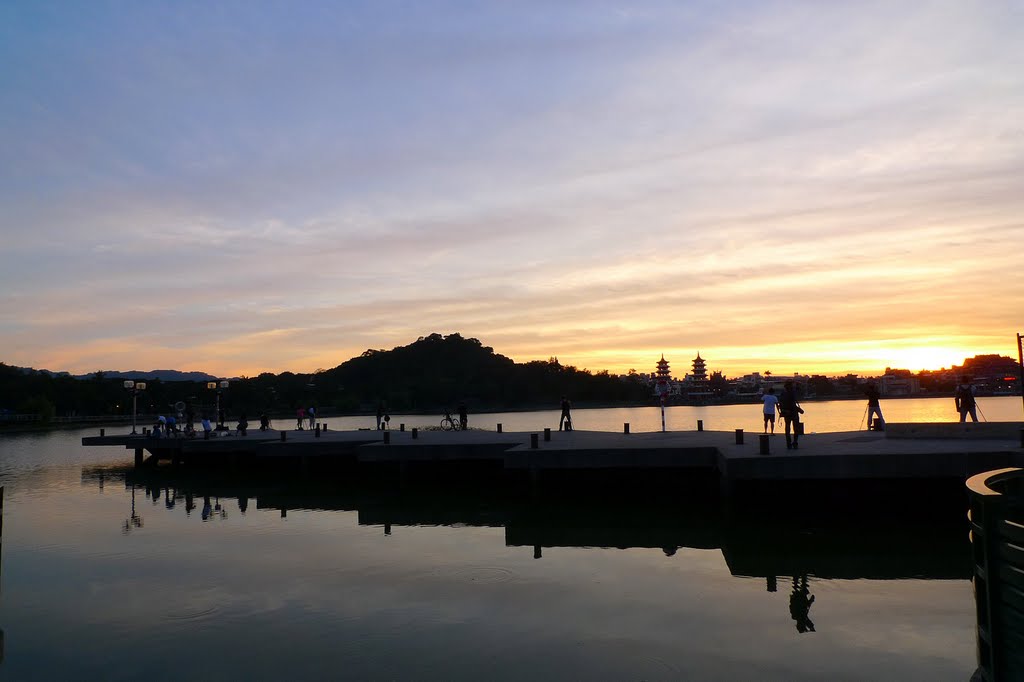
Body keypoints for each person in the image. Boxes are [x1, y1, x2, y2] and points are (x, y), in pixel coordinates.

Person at [779, 380, 804, 450]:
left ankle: (788, 443)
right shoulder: (792, 393)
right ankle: (795, 442)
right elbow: (792, 404)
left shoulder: (783, 393)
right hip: (793, 413)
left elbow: (780, 404)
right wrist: (799, 410)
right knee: (796, 429)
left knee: (787, 428)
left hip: (786, 413)